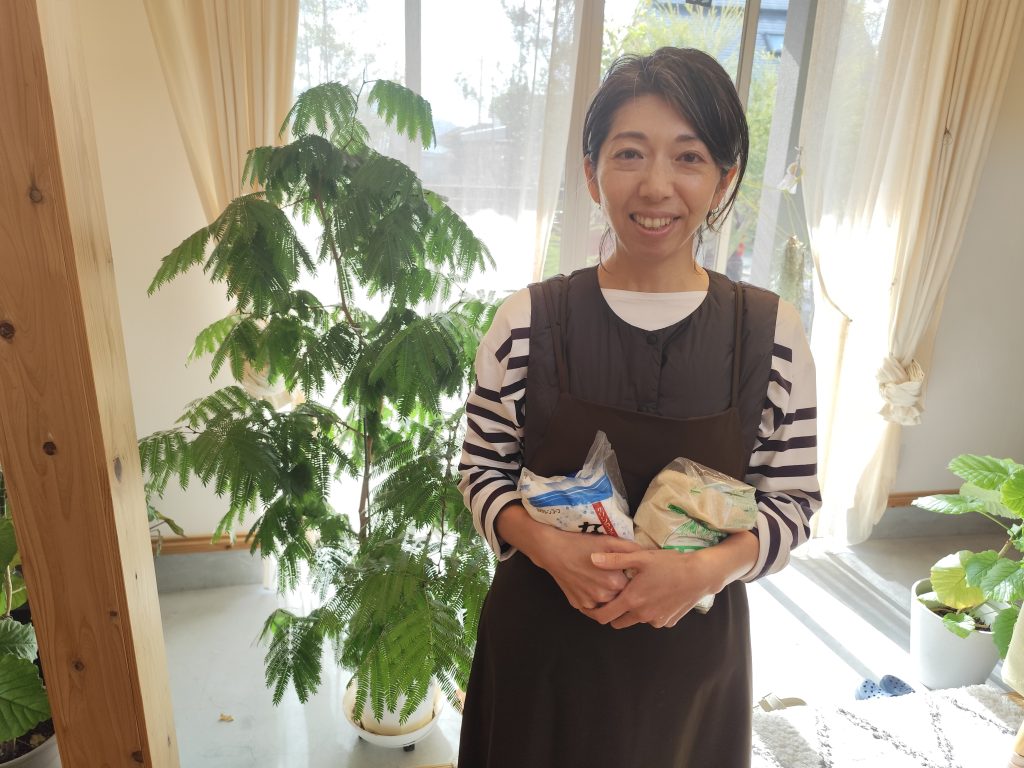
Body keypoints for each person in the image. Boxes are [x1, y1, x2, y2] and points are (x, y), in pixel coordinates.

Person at [457, 47, 819, 768]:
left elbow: (794, 503)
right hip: (542, 660)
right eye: (629, 153)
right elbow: (480, 474)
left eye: (689, 158)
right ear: (593, 173)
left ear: (724, 179)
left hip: (688, 672)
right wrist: (552, 549)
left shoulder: (770, 334)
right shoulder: (526, 322)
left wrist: (706, 571)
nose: (657, 186)